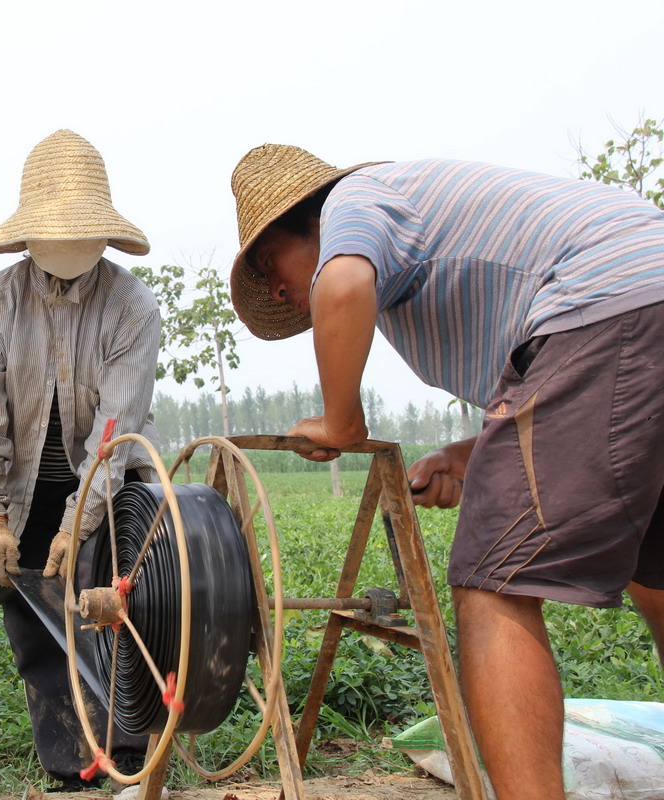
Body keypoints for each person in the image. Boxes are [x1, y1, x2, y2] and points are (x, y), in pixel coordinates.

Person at [226, 144, 664, 800]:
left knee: (496, 586)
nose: (285, 295)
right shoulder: (421, 240)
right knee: (655, 575)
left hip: (604, 303)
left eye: (275, 277)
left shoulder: (355, 204)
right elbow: (556, 403)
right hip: (637, 303)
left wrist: (341, 422)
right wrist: (466, 458)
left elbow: (341, 287)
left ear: (283, 241)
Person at [0, 129, 163, 795]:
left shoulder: (132, 305)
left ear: (104, 238)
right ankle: (71, 766)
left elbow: (115, 425)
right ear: (29, 240)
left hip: (116, 487)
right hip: (27, 494)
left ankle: (130, 758)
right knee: (37, 626)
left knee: (123, 615)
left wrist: (80, 524)